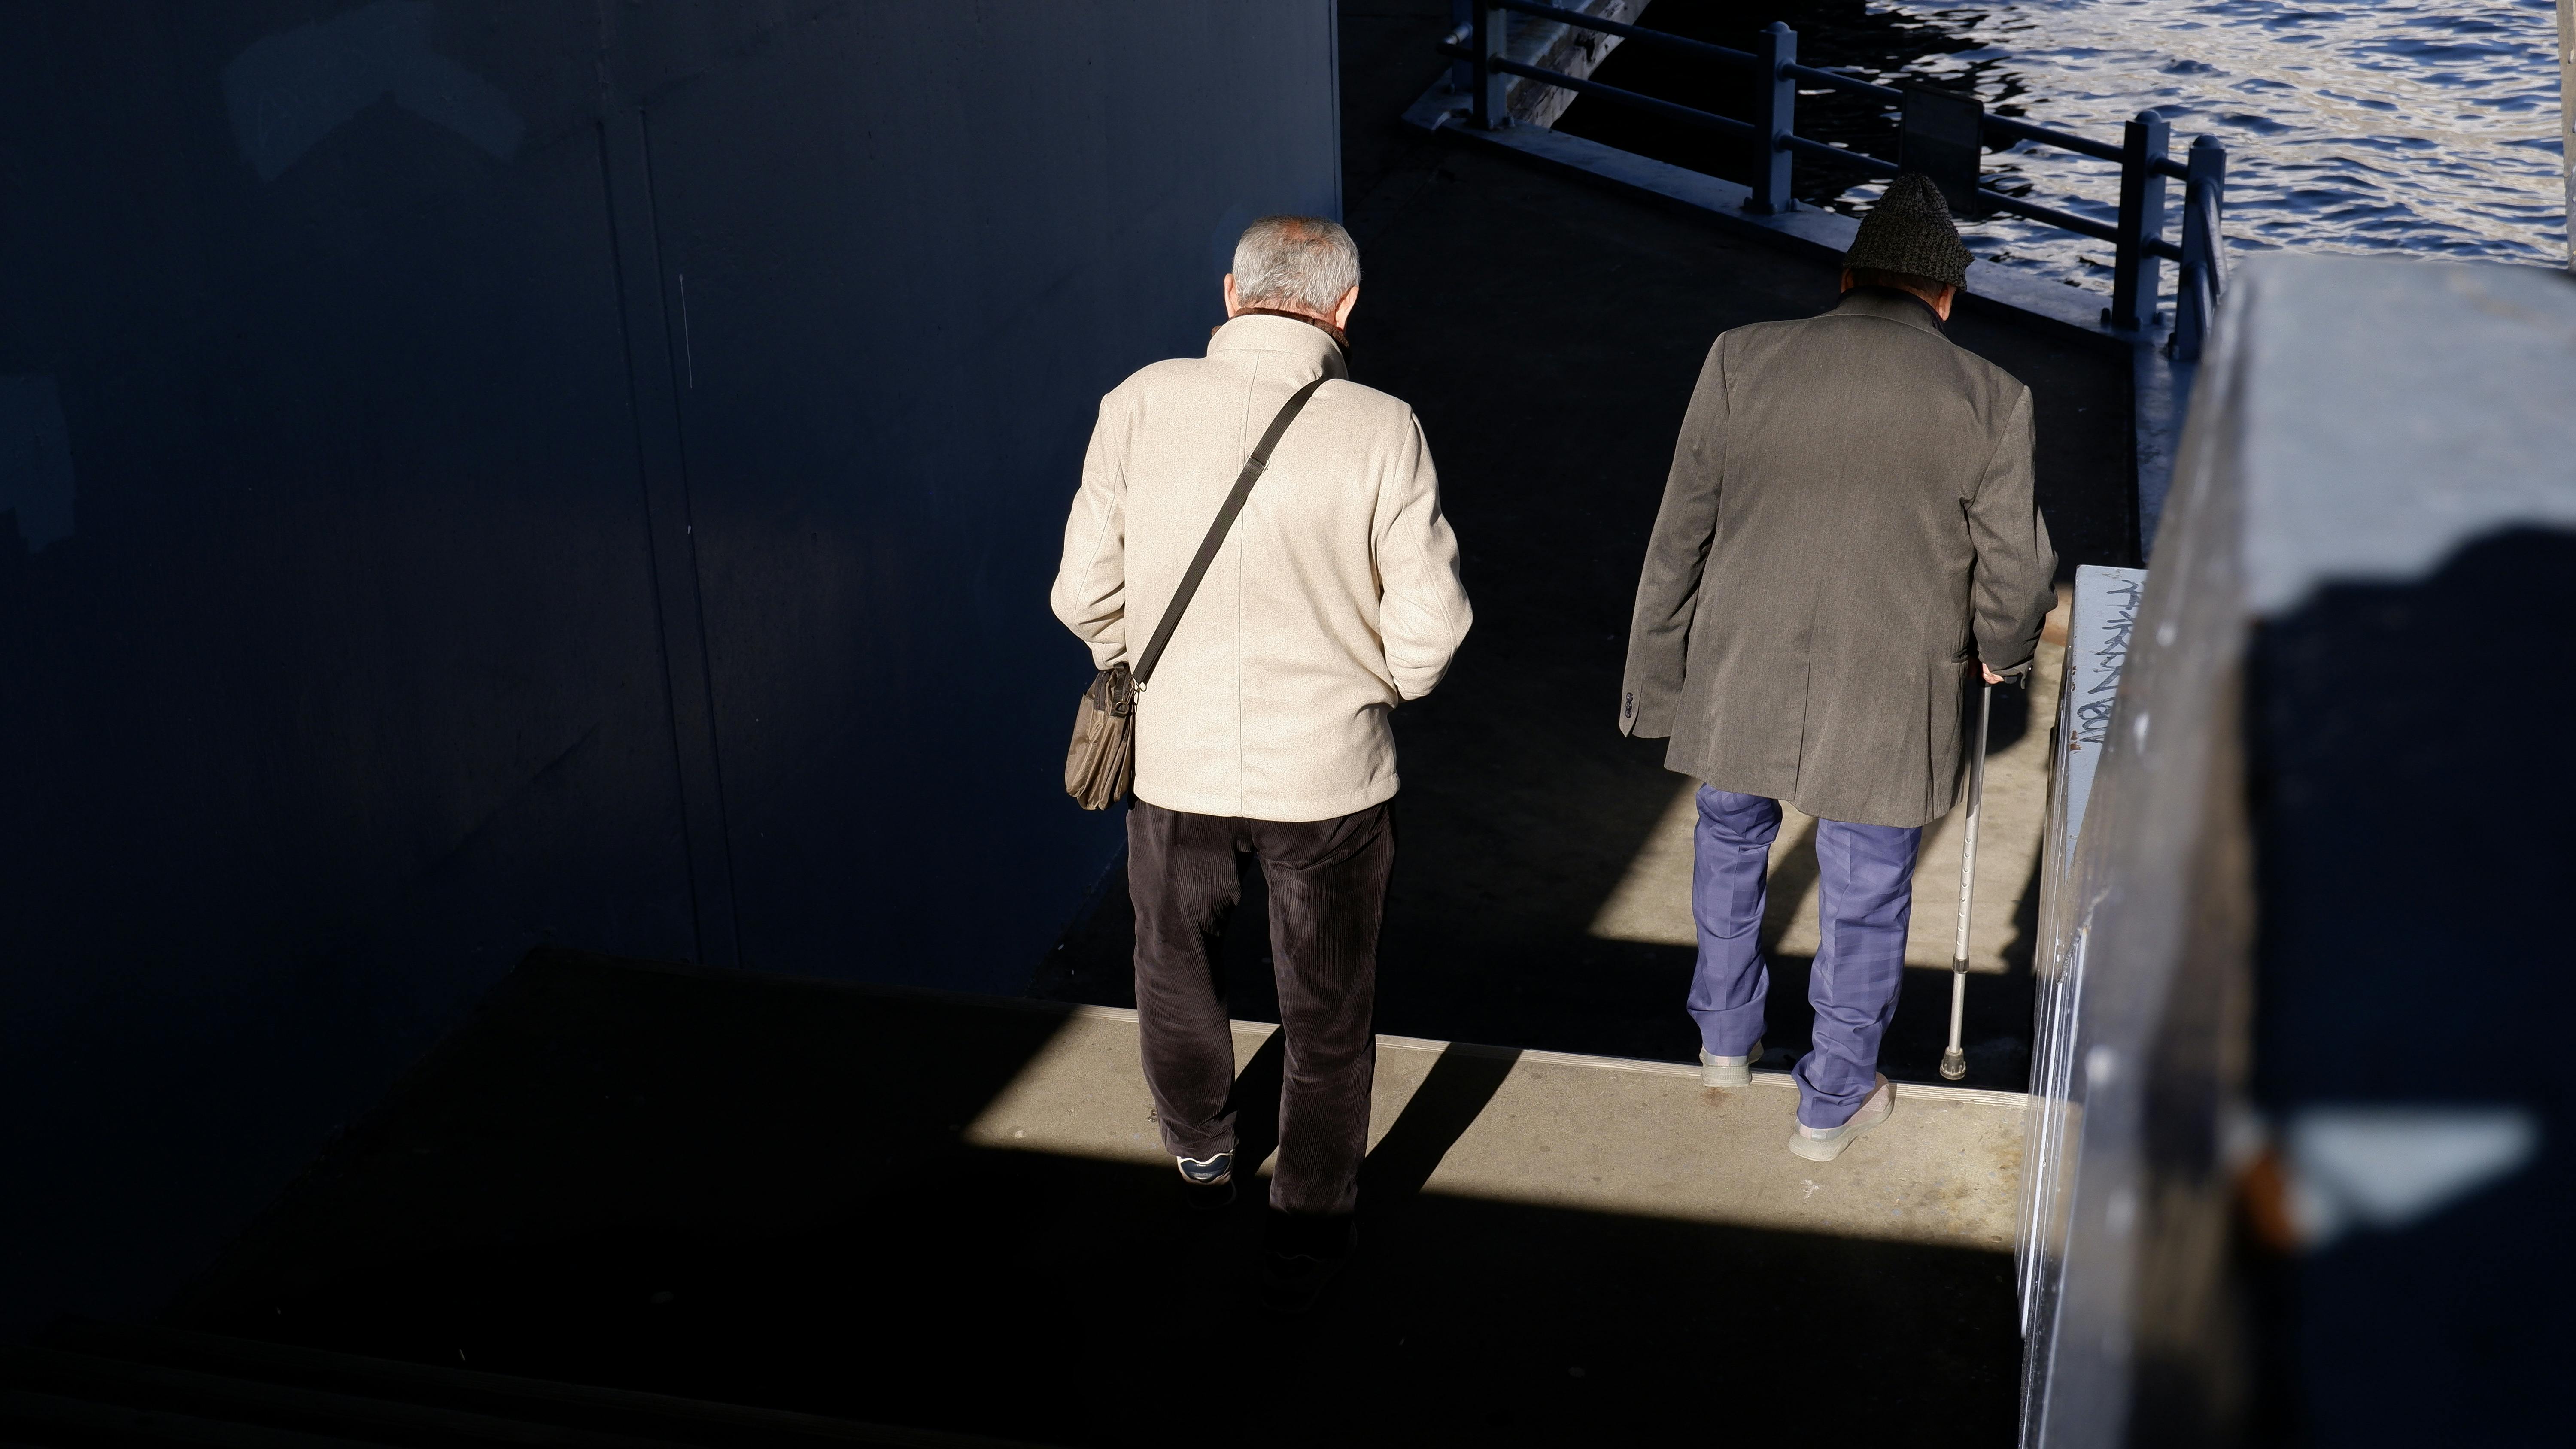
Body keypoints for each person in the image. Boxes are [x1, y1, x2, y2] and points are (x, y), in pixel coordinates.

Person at [1050, 215, 1472, 1307]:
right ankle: (1311, 1221)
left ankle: (1200, 1158)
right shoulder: (1385, 428)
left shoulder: (1139, 402)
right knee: (1328, 1009)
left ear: (1232, 293)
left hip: (1177, 767)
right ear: (1345, 310)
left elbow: (1081, 589)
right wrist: (1374, 687)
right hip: (1329, 781)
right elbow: (1432, 625)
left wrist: (1132, 663)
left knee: (1174, 967)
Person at [1617, 173, 2055, 1162]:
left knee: (1729, 840)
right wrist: (2001, 652)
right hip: (1888, 691)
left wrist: (1659, 678)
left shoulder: (1742, 358)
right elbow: (2019, 571)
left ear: (1849, 275)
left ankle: (1724, 1039)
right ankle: (1833, 1099)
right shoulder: (1994, 398)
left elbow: (1680, 533)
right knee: (1865, 885)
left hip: (1742, 667)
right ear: (1948, 295)